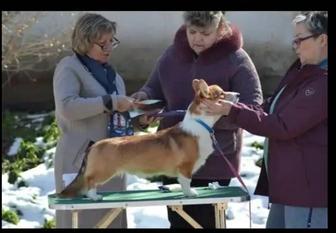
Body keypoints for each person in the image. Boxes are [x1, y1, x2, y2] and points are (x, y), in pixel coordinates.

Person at [132, 11, 263, 228]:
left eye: (205, 33)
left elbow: (254, 107)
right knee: (179, 223)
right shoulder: (171, 55)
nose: (197, 38)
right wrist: (143, 105)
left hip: (214, 161)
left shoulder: (237, 59)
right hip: (171, 157)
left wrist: (225, 110)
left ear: (220, 30)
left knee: (207, 223)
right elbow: (153, 89)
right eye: (192, 32)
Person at [201, 11, 328, 228]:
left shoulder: (322, 82)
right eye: (293, 39)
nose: (294, 45)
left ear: (323, 39)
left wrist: (232, 111)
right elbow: (268, 110)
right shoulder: (301, 72)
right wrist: (230, 105)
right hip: (289, 188)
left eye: (300, 39)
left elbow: (283, 125)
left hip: (310, 194)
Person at [53, 13, 135, 228]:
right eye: (102, 43)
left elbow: (116, 115)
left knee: (112, 221)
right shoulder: (69, 67)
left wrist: (139, 118)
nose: (108, 48)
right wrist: (110, 101)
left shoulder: (113, 76)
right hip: (80, 162)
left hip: (113, 163)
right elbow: (67, 107)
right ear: (85, 42)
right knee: (82, 221)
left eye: (112, 41)